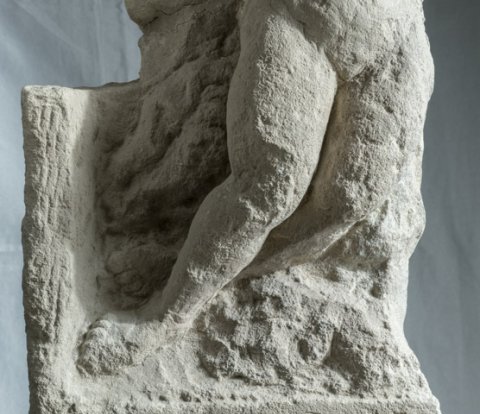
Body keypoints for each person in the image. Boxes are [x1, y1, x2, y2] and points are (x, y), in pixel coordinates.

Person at [78, 0, 433, 375]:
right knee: (269, 186)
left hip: (394, 29)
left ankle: (191, 269)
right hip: (301, 15)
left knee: (349, 201)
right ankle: (164, 315)